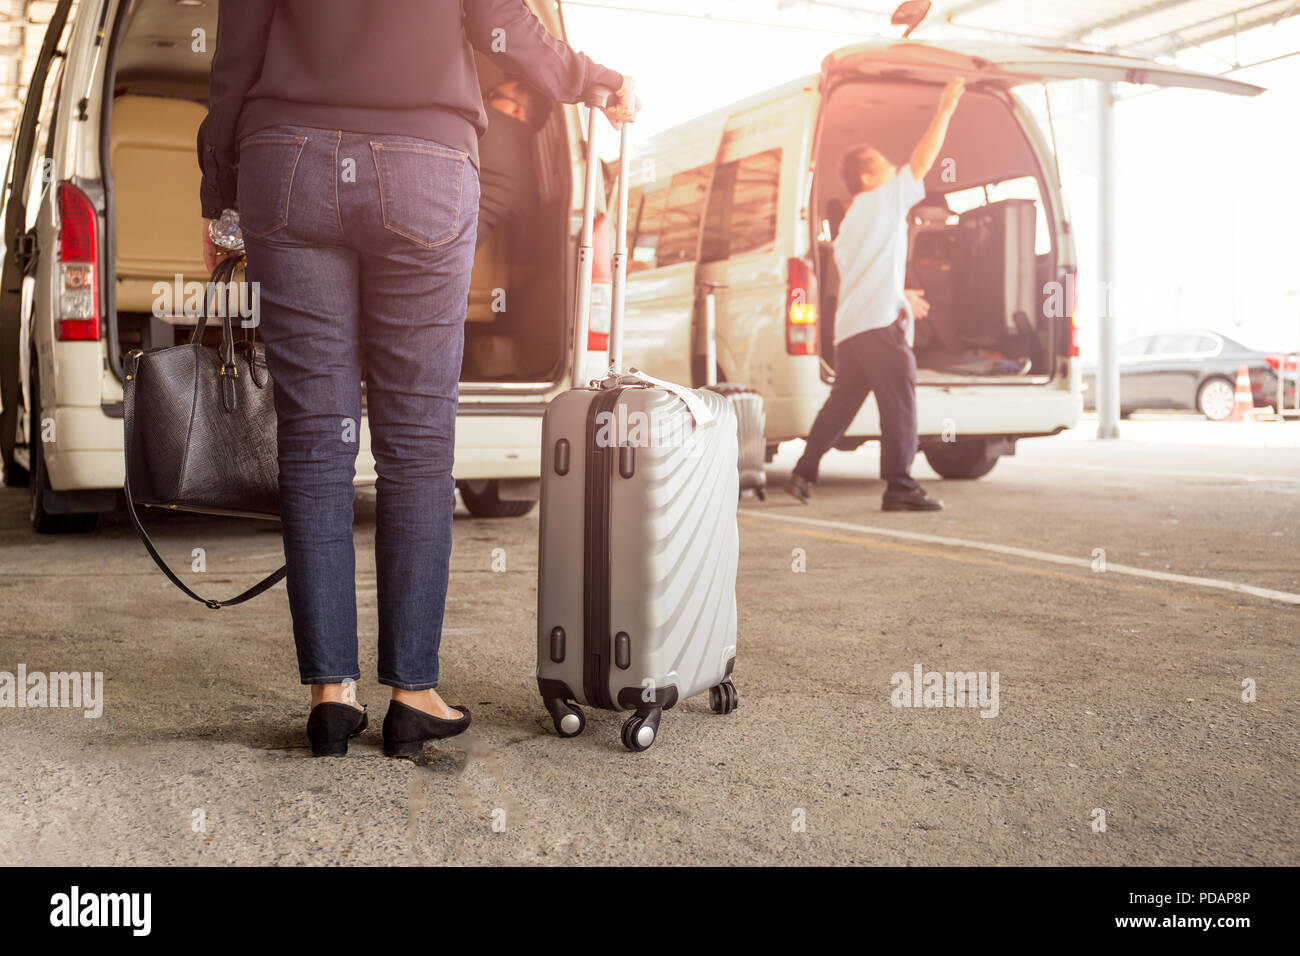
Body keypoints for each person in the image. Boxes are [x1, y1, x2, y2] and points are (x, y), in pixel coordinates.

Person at [197, 0, 637, 758]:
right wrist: (591, 80)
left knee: (314, 439)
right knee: (417, 442)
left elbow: (234, 57)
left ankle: (330, 696)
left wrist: (220, 198)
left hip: (287, 164)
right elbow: (507, 27)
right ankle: (411, 693)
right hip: (423, 161)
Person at [786, 78, 964, 512]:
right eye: (884, 162)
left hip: (854, 329)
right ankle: (900, 486)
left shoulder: (851, 224)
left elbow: (868, 274)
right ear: (868, 176)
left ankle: (804, 469)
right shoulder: (882, 198)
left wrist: (900, 295)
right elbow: (922, 161)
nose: (893, 166)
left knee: (843, 402)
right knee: (900, 399)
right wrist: (945, 108)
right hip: (877, 329)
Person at [477, 78, 552, 261]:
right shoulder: (527, 182)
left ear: (517, 110)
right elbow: (522, 263)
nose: (483, 99)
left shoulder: (472, 112)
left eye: (492, 95)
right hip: (442, 264)